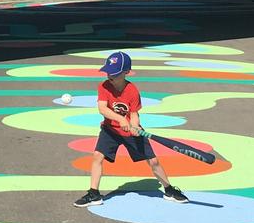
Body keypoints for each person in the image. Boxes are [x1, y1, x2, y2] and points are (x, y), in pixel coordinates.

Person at [73, 51, 189, 207]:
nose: (109, 75)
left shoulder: (132, 90)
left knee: (153, 161)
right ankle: (94, 194)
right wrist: (121, 119)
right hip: (110, 130)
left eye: (114, 73)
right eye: (108, 71)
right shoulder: (104, 86)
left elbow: (134, 114)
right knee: (97, 157)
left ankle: (169, 189)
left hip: (130, 133)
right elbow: (102, 108)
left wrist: (134, 126)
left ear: (126, 72)